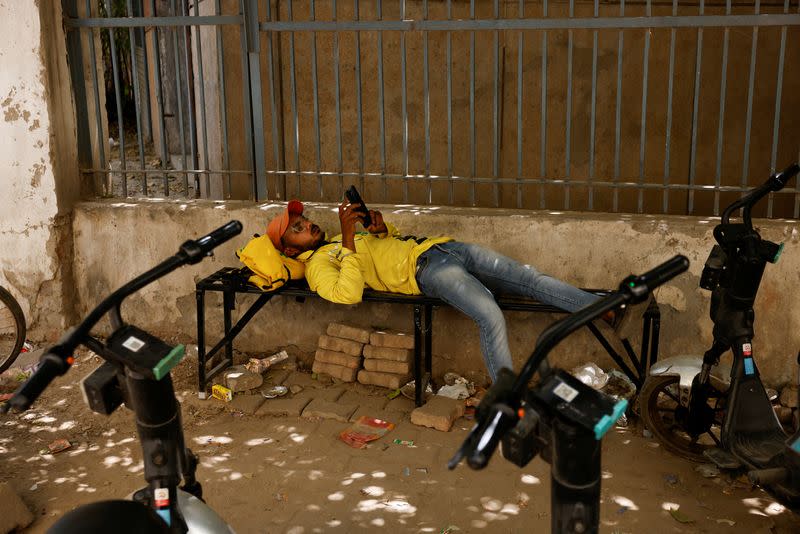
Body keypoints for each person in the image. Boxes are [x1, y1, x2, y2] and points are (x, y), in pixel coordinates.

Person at [266, 198, 648, 381]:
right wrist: (350, 237)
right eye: (297, 229)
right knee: (491, 315)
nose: (308, 225)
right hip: (429, 271)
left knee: (529, 278)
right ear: (289, 249)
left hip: (445, 248)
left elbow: (388, 246)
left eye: (304, 220)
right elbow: (347, 294)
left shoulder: (337, 240)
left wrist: (378, 229)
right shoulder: (318, 266)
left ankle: (606, 310)